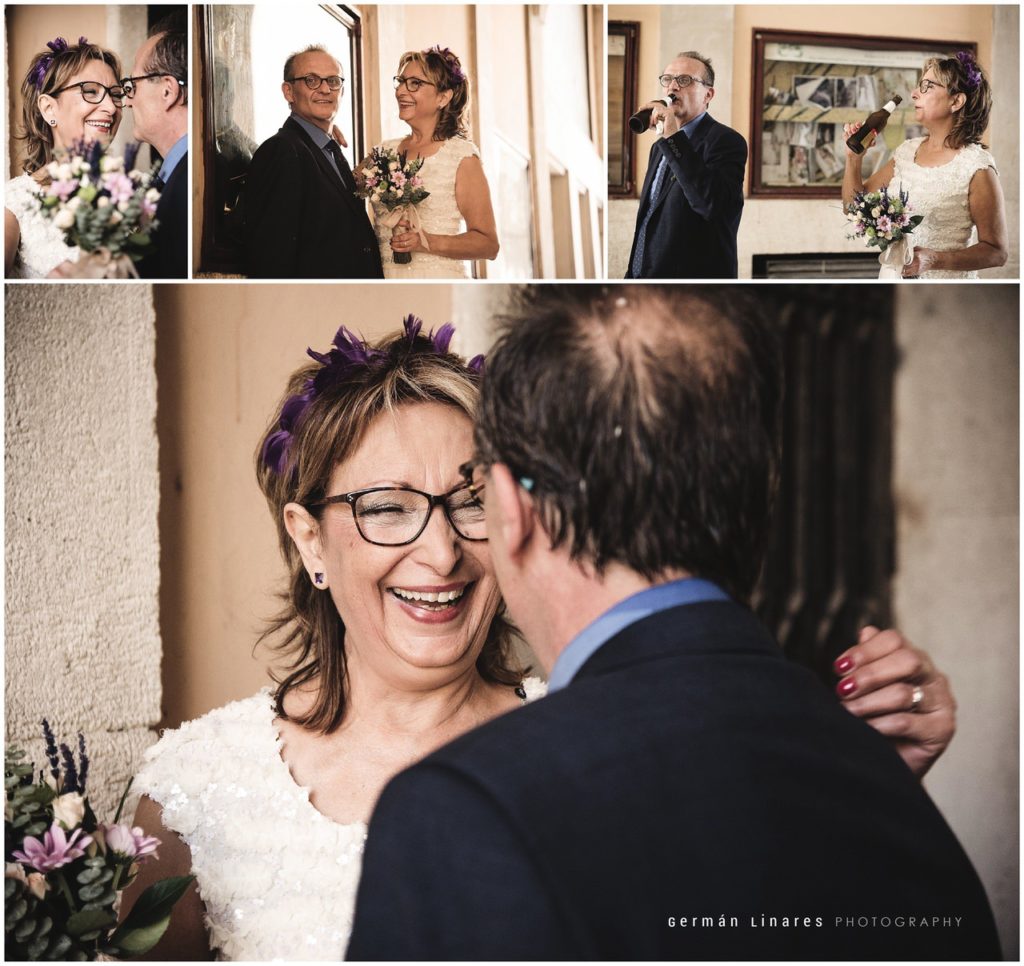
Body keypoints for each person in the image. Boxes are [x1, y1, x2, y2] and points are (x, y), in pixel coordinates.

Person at [122, 313, 960, 961]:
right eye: (386, 508)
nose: (441, 550)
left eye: (469, 500)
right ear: (310, 539)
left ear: (522, 512)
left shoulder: (627, 739)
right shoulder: (197, 786)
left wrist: (836, 784)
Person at [347, 288, 1001, 960]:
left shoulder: (465, 812)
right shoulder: (881, 786)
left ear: (512, 507)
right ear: (759, 493)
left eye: (475, 495)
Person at [842, 51, 1008, 279]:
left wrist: (935, 260)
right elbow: (853, 209)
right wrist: (853, 158)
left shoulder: (976, 168)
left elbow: (997, 252)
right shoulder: (906, 151)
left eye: (928, 86)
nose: (914, 94)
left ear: (956, 101)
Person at [241, 45, 382, 279]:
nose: (325, 89)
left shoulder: (330, 149)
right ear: (288, 92)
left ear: (342, 91)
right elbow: (272, 255)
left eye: (333, 81)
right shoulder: (281, 150)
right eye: (311, 80)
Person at [363, 46, 499, 278]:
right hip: (383, 283)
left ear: (443, 97)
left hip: (436, 282)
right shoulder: (383, 151)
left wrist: (425, 242)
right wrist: (328, 134)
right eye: (401, 81)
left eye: (415, 83)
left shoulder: (461, 156)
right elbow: (341, 187)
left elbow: (488, 244)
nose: (401, 92)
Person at [5, 37, 122, 278]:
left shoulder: (140, 190)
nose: (111, 107)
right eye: (91, 91)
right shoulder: (13, 202)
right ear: (49, 109)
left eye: (116, 94)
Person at [625, 51, 746, 279]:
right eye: (667, 79)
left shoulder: (726, 141)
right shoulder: (659, 148)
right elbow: (650, 217)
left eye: (684, 80)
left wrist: (672, 136)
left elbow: (710, 205)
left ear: (708, 95)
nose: (673, 87)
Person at [123, 11, 188, 279]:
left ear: (167, 91)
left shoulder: (185, 183)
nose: (126, 102)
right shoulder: (168, 178)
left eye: (131, 85)